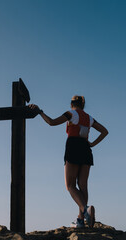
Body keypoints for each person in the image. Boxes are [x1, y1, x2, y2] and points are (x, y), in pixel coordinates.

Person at [29, 95, 108, 228]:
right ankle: (81, 220)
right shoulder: (89, 118)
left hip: (73, 147)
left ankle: (85, 210)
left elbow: (51, 122)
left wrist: (39, 111)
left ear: (72, 104)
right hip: (86, 149)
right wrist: (93, 144)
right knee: (83, 185)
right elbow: (105, 131)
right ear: (83, 105)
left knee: (70, 185)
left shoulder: (71, 114)